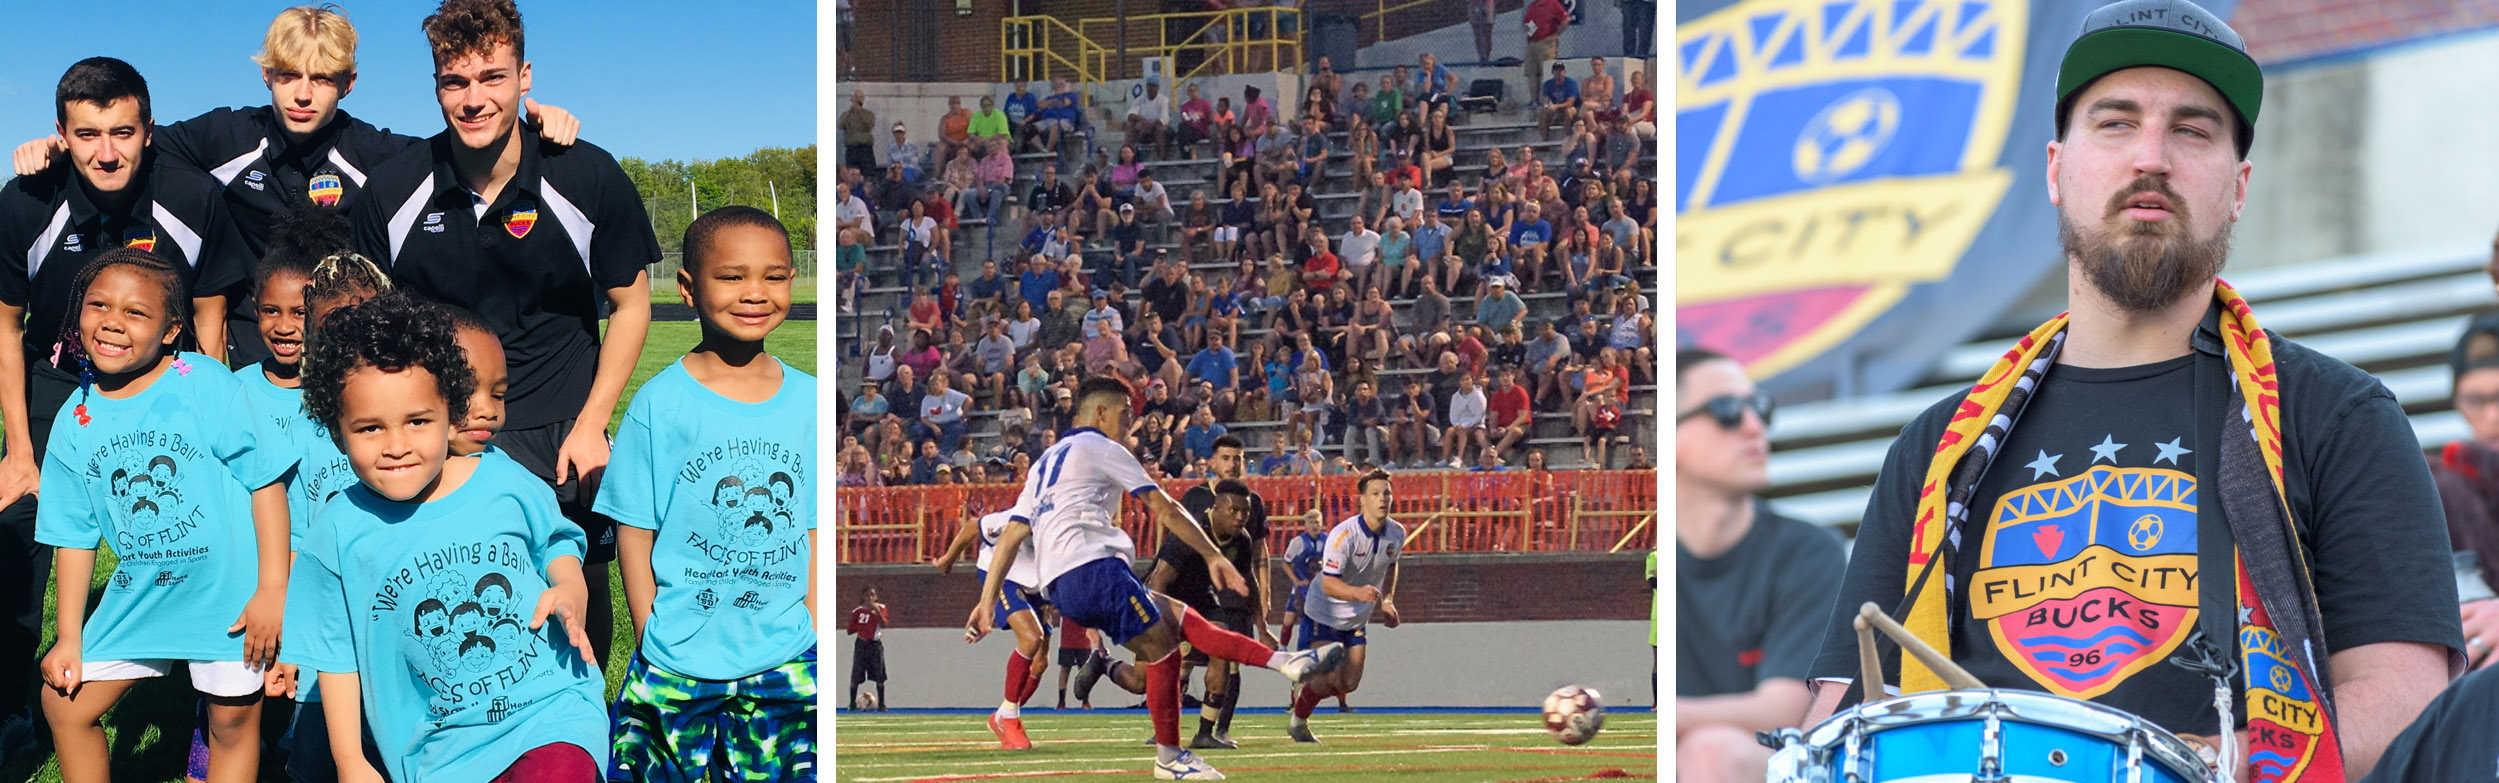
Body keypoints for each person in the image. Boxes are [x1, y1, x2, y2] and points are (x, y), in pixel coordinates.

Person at [1801, 3, 2461, 779]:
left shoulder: (2335, 416)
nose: (2151, 157)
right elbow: (1841, 717)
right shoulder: (1937, 447)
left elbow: (2404, 698)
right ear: (2054, 169)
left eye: (2191, 129)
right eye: (2115, 123)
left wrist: (2197, 763)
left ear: (2239, 185)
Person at [351, 0, 660, 672]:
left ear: (525, 77)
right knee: (461, 589)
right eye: (455, 82)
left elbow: (631, 304)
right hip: (452, 428)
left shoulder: (585, 173)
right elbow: (374, 327)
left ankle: (579, 727)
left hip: (564, 427)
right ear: (435, 86)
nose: (473, 99)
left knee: (580, 584)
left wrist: (592, 422)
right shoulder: (394, 188)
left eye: (492, 77)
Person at [9, 6, 579, 368]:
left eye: (323, 78)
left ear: (349, 83)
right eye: (288, 75)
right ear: (267, 76)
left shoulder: (377, 153)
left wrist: (531, 127)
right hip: (251, 344)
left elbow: (465, 144)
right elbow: (125, 144)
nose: (303, 93)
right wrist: (57, 150)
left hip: (342, 345)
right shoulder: (223, 136)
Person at [0, 59, 256, 757]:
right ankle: (12, 713)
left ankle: (221, 695)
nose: (105, 152)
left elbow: (209, 314)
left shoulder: (191, 196)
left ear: (149, 131)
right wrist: (20, 453)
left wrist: (212, 411)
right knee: (19, 535)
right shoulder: (26, 197)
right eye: (86, 134)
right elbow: (5, 325)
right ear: (61, 133)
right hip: (61, 386)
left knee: (193, 523)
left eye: (122, 131)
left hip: (170, 388)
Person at [281, 291, 607, 782]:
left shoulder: (503, 479)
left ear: (449, 413)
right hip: (441, 747)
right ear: (335, 431)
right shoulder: (336, 532)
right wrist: (350, 761)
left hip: (550, 710)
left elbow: (557, 540)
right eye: (370, 428)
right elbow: (336, 656)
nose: (396, 446)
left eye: (417, 422)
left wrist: (570, 587)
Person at [970, 377, 1345, 780]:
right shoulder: (1100, 447)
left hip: (1064, 584)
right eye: (1126, 411)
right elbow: (1163, 507)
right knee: (1164, 650)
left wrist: (987, 602)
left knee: (1184, 621)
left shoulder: (1044, 462)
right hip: (1093, 567)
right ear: (1100, 412)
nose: (1132, 420)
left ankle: (1284, 662)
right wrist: (1211, 554)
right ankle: (1169, 756)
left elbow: (1011, 534)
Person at [34, 250, 290, 783]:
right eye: (98, 304)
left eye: (135, 313)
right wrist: (69, 636)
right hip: (142, 598)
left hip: (228, 601)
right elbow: (75, 537)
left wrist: (271, 592)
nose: (111, 321)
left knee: (231, 724)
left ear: (172, 329)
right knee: (64, 704)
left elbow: (265, 483)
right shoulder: (72, 419)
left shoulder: (202, 380)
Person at [597, 208, 816, 780]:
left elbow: (812, 528)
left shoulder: (811, 402)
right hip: (676, 663)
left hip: (786, 662)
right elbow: (635, 531)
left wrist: (811, 628)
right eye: (732, 276)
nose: (755, 293)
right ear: (689, 289)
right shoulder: (657, 404)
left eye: (774, 276)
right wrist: (650, 634)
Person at [1673, 348, 1843, 780]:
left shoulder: (1809, 551)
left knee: (1710, 753)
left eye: (1759, 408)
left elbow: (1786, 712)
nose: (1755, 426)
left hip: (1770, 765)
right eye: (1727, 410)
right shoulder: (1653, 559)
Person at [1285, 471, 1405, 742]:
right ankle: (1298, 721)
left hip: (1355, 619)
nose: (1382, 498)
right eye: (1375, 493)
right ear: (1362, 500)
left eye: (1386, 492)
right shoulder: (1343, 535)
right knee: (1324, 681)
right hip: (1323, 613)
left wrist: (1387, 600)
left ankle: (1306, 687)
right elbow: (1328, 583)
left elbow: (1393, 563)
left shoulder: (1397, 533)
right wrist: (1357, 593)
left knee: (1348, 683)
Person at [1155, 470, 1269, 749]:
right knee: (1138, 680)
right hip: (1166, 599)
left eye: (1246, 511)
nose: (1241, 517)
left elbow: (1248, 580)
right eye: (1234, 510)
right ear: (1216, 507)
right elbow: (1159, 578)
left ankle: (1205, 732)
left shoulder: (1241, 540)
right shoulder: (1189, 532)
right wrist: (1159, 626)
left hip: (1204, 600)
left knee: (1223, 645)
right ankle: (1104, 665)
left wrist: (1263, 627)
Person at [933, 501, 1052, 750]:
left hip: (1036, 583)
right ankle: (1009, 717)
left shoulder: (1065, 527)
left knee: (1040, 663)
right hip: (1002, 574)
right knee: (1032, 638)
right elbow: (972, 527)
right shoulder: (1018, 517)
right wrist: (947, 559)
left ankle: (1001, 716)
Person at [845, 586, 890, 711]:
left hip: (875, 644)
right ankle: (852, 703)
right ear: (863, 597)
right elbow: (850, 630)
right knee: (856, 673)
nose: (870, 598)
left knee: (879, 674)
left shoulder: (881, 608)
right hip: (862, 645)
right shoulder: (858, 611)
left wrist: (876, 612)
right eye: (867, 595)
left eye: (872, 595)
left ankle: (882, 703)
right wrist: (861, 627)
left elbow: (885, 624)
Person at [1523, 0, 1569, 82]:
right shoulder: (1533, 5)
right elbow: (1526, 23)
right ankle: (1534, 95)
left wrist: (1556, 34)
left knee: (1547, 70)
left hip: (1546, 42)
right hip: (1532, 43)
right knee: (1532, 73)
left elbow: (1565, 20)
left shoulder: (1553, 4)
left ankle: (1546, 94)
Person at [1129, 80, 1173, 160]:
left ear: (1157, 88)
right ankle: (1127, 155)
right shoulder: (1140, 100)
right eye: (1149, 86)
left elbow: (1164, 119)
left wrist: (1148, 124)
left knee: (1160, 130)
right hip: (1145, 130)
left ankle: (1162, 159)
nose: (1150, 88)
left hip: (1162, 130)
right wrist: (1142, 120)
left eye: (1153, 86)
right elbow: (1131, 115)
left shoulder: (1164, 100)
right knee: (1130, 126)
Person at [1539, 62, 1579, 141]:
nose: (1559, 73)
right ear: (1553, 72)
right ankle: (1545, 140)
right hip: (1557, 109)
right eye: (1556, 71)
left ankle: (1568, 137)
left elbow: (1570, 103)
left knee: (1568, 111)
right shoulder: (1548, 84)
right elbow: (1546, 99)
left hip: (1573, 108)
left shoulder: (1571, 83)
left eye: (1561, 71)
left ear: (1564, 72)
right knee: (1543, 114)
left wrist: (1557, 106)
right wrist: (1546, 106)